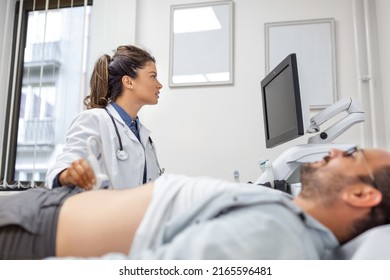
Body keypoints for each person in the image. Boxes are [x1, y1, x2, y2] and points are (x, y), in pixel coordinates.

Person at [1, 147, 390, 259]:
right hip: (41, 215)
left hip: (34, 234)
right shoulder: (284, 218)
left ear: (360, 194)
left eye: (352, 154)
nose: (335, 149)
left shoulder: (279, 235)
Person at [46, 45, 164, 190]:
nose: (160, 85)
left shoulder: (143, 136)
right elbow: (63, 166)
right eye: (153, 76)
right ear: (128, 82)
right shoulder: (94, 120)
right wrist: (68, 174)